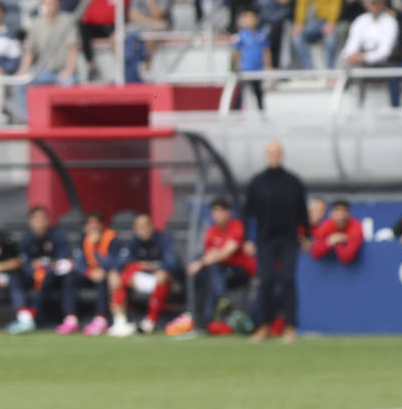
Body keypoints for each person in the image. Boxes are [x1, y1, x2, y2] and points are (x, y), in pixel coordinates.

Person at [242, 140, 309, 341]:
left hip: (289, 239)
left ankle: (290, 326)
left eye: (277, 153)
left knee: (288, 280)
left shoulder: (293, 182)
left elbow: (302, 212)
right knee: (266, 281)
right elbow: (248, 214)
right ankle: (264, 325)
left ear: (282, 155)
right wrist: (247, 239)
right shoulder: (257, 182)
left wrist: (306, 234)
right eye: (271, 153)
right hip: (265, 239)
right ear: (266, 155)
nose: (274, 156)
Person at [186, 197, 256, 333]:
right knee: (209, 274)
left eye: (220, 211)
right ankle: (214, 310)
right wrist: (209, 258)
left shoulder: (236, 226)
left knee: (212, 271)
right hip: (220, 273)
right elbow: (210, 254)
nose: (217, 216)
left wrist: (201, 262)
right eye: (214, 212)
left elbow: (228, 251)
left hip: (240, 271)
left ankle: (207, 317)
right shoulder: (211, 231)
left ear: (227, 213)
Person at [104, 211, 180, 336]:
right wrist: (137, 266)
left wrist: (152, 266)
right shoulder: (133, 242)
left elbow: (172, 264)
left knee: (162, 275)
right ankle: (120, 322)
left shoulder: (164, 239)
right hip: (142, 280)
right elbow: (121, 262)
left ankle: (150, 321)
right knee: (114, 275)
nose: (142, 229)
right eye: (139, 227)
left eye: (145, 225)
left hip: (163, 281)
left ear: (151, 226)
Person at [9, 206, 79, 334]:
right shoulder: (26, 239)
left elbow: (64, 262)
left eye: (42, 219)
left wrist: (46, 267)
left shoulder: (58, 236)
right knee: (15, 276)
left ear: (48, 221)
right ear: (30, 222)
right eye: (36, 220)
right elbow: (25, 263)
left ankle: (70, 319)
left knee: (67, 276)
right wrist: (34, 271)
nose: (39, 223)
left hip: (54, 277)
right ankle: (24, 316)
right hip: (34, 277)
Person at [341, 0, 402, 107]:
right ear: (367, 5)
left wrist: (363, 57)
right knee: (348, 67)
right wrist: (350, 56)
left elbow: (385, 51)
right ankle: (355, 106)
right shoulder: (360, 21)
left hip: (385, 62)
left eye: (377, 3)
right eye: (372, 3)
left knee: (395, 72)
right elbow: (351, 44)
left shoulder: (390, 22)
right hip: (362, 59)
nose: (374, 7)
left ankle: (395, 107)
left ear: (383, 4)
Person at [79, 211, 117, 335]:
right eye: (89, 224)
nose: (93, 227)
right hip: (90, 276)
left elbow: (110, 264)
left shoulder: (111, 238)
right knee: (70, 277)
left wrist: (95, 247)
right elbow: (78, 264)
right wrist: (89, 273)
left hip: (105, 276)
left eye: (96, 223)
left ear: (102, 225)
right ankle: (71, 319)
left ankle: (101, 319)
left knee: (102, 277)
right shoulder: (83, 239)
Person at [233, 8, 272, 111]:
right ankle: (235, 113)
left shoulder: (261, 35)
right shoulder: (241, 35)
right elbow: (236, 51)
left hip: (258, 70)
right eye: (247, 18)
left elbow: (266, 51)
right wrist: (237, 66)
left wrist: (268, 67)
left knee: (259, 93)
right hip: (246, 69)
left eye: (252, 18)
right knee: (240, 94)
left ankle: (262, 113)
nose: (250, 21)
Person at [310, 199, 365, 263]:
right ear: (331, 214)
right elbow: (315, 252)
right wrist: (330, 241)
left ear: (349, 215)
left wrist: (337, 242)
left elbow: (347, 257)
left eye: (343, 214)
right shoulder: (326, 225)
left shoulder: (356, 226)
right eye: (337, 215)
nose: (340, 218)